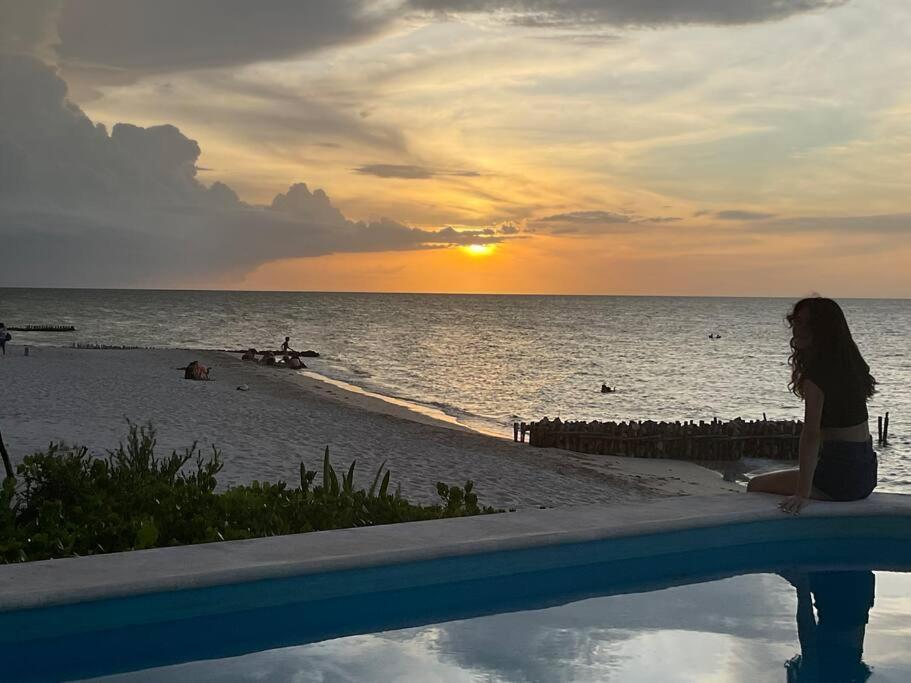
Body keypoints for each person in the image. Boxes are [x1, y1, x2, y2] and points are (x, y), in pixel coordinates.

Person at [747, 297, 877, 512]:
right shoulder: (853, 367)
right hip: (866, 474)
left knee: (755, 485)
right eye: (796, 322)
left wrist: (802, 492)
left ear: (822, 330)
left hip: (841, 479)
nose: (797, 329)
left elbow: (811, 435)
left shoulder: (817, 375)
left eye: (805, 324)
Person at [783, 570, 874, 682]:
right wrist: (802, 586)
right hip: (844, 596)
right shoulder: (812, 676)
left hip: (858, 594)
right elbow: (807, 634)